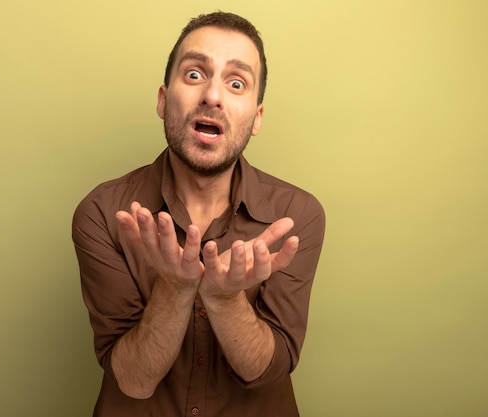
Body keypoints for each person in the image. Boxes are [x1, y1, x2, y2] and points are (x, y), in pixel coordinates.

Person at [72, 11, 325, 417]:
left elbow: (267, 372)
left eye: (236, 83)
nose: (212, 95)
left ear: (257, 117)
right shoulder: (103, 213)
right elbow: (134, 381)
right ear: (162, 99)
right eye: (194, 75)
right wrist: (173, 289)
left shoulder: (297, 215)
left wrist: (224, 299)